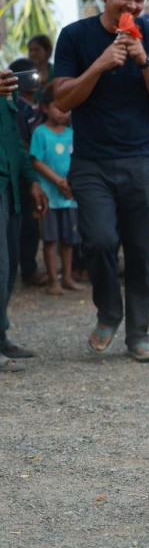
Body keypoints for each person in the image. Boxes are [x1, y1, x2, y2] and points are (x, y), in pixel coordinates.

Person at [52, 0, 149, 362]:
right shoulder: (75, 36)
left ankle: (139, 334)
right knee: (99, 241)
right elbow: (62, 99)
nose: (133, 5)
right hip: (91, 161)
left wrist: (144, 61)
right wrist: (100, 64)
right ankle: (108, 312)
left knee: (141, 251)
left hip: (141, 159)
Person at [1, 63, 49, 372]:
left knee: (9, 267)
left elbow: (16, 141)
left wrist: (32, 181)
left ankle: (1, 337)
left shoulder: (7, 94)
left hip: (10, 188)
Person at [29, 85, 84, 296]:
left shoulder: (72, 134)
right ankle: (54, 281)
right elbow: (36, 161)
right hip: (49, 197)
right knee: (50, 239)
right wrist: (59, 181)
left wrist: (70, 183)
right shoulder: (40, 133)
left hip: (69, 196)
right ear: (45, 107)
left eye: (67, 108)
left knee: (69, 239)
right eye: (58, 107)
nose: (63, 113)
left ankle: (67, 277)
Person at [9, 57, 47, 288]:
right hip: (26, 173)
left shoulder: (40, 104)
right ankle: (28, 271)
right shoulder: (17, 106)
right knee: (27, 225)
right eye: (29, 75)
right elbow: (21, 141)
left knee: (35, 224)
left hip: (42, 170)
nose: (35, 79)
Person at [27, 35, 54, 99]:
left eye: (37, 50)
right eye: (30, 50)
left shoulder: (56, 72)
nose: (32, 54)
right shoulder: (24, 73)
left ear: (47, 51)